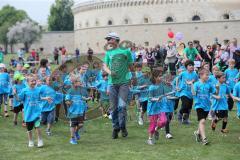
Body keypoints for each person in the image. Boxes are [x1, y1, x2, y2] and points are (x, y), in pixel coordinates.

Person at [102, 32, 134, 139]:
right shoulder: (108, 53)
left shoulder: (126, 51)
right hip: (112, 84)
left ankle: (122, 126)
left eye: (109, 39)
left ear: (115, 40)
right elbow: (105, 66)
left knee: (122, 106)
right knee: (113, 108)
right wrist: (110, 72)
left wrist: (133, 77)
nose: (107, 42)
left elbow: (131, 66)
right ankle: (116, 128)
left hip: (124, 83)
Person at [15, 74, 43, 147]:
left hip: (36, 112)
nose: (34, 82)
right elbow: (19, 99)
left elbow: (39, 98)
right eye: (32, 81)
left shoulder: (38, 90)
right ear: (27, 82)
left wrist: (45, 98)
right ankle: (30, 141)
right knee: (29, 129)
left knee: (37, 126)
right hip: (28, 113)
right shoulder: (24, 91)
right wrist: (15, 94)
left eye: (34, 80)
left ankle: (40, 140)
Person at [192, 68, 216, 145]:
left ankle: (197, 132)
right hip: (199, 105)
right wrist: (191, 85)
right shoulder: (196, 84)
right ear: (201, 75)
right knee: (202, 121)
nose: (208, 76)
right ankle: (204, 139)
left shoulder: (209, 85)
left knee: (201, 121)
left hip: (207, 106)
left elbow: (215, 92)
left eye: (208, 75)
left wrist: (218, 89)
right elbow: (193, 93)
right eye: (206, 75)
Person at [65, 78, 91, 145]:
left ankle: (76, 132)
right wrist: (70, 102)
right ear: (74, 83)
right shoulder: (70, 91)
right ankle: (72, 138)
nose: (80, 83)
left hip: (80, 111)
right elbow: (67, 101)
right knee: (73, 125)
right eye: (79, 82)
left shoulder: (79, 90)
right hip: (73, 112)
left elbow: (81, 97)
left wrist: (87, 98)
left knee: (81, 125)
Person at [147, 69, 167, 145]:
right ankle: (150, 139)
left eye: (161, 76)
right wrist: (156, 99)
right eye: (159, 76)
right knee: (153, 123)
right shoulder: (151, 87)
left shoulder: (162, 84)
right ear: (155, 77)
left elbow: (164, 93)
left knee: (164, 121)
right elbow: (150, 98)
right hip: (153, 109)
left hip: (161, 107)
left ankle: (156, 129)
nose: (161, 77)